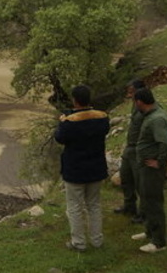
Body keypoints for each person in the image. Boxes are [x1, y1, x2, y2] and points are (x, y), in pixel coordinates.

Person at [54, 85, 110, 251]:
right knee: (94, 205)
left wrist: (62, 121)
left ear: (75, 101)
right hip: (96, 167)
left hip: (75, 170)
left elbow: (59, 138)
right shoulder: (102, 118)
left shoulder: (69, 123)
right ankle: (97, 240)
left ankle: (78, 242)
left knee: (75, 207)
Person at [131, 87, 167, 253]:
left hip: (152, 169)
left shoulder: (157, 119)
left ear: (140, 102)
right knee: (146, 199)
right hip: (145, 166)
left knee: (154, 202)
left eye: (135, 102)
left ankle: (158, 242)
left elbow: (166, 143)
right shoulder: (152, 114)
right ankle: (149, 230)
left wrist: (159, 162)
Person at [114, 79, 146, 224]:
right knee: (125, 177)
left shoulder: (147, 107)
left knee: (141, 183)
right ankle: (129, 206)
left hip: (140, 150)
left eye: (132, 92)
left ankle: (144, 213)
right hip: (130, 147)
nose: (129, 95)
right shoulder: (135, 105)